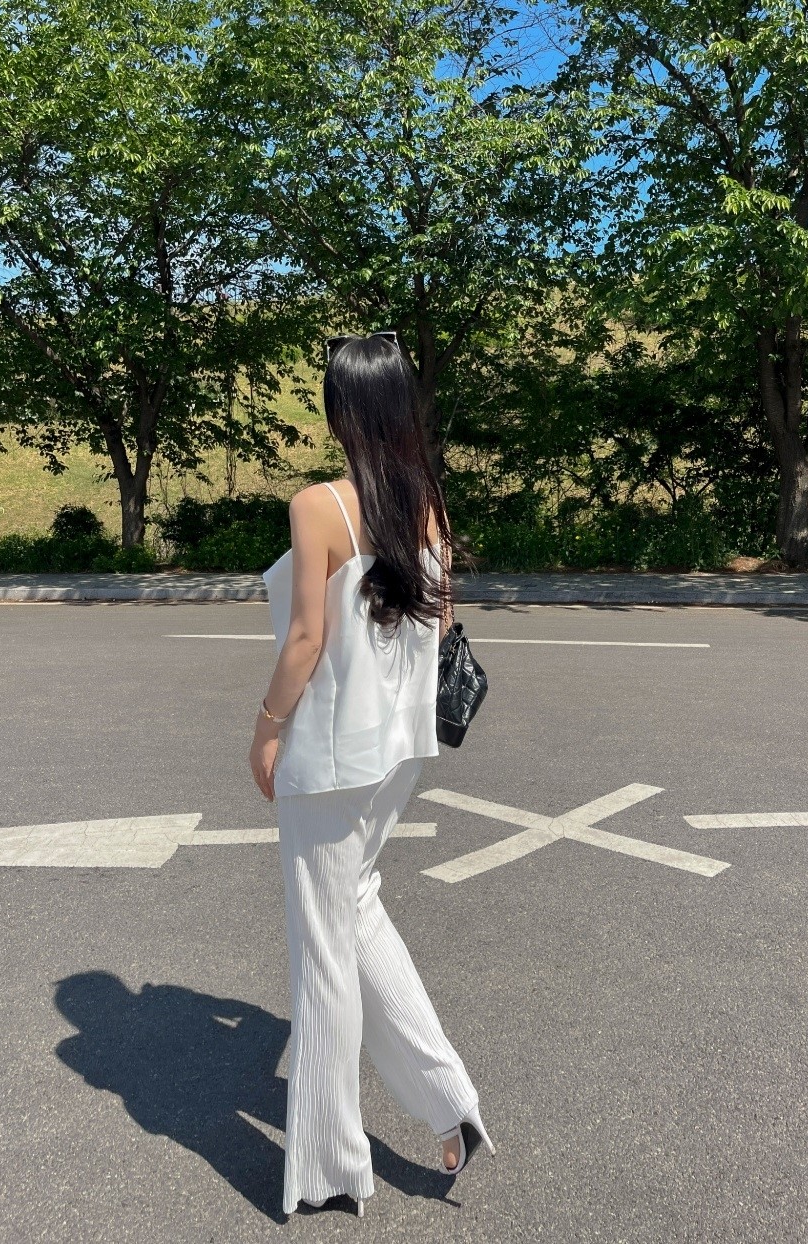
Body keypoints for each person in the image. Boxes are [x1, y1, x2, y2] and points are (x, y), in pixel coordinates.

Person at [250, 331, 496, 1219]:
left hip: (329, 759)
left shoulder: (319, 505)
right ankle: (451, 1104)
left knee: (322, 953)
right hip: (398, 754)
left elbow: (306, 639)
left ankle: (329, 1164)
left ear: (340, 412)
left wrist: (265, 728)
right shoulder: (428, 502)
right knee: (356, 913)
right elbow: (441, 619)